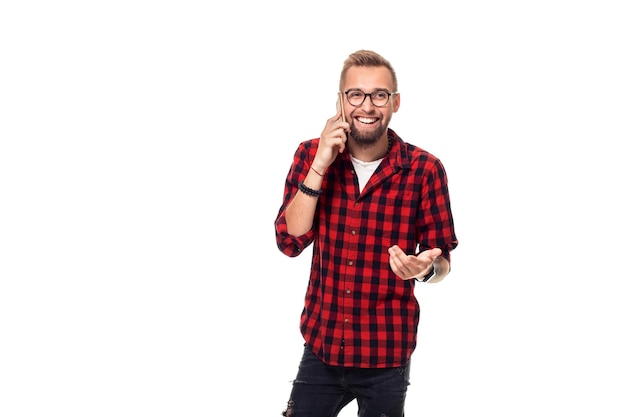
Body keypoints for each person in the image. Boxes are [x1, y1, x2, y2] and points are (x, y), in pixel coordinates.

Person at [274, 49, 458, 417]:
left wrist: (423, 269)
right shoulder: (309, 154)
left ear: (395, 102)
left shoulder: (425, 169)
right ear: (341, 102)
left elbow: (442, 264)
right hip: (322, 346)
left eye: (379, 95)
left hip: (386, 353)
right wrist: (321, 164)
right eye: (356, 94)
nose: (367, 106)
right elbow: (289, 241)